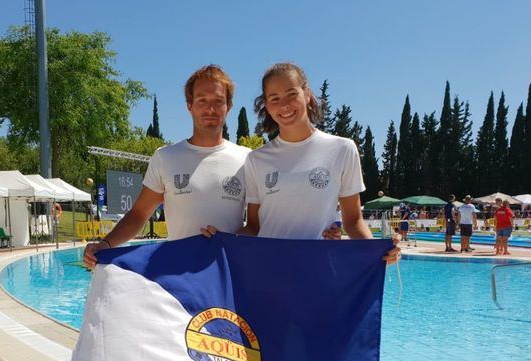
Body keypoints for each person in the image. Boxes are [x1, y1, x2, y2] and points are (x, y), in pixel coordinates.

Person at [202, 63, 399, 263]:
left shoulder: (342, 149)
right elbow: (254, 226)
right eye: (274, 99)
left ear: (307, 94)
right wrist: (224, 241)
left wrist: (379, 252)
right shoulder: (257, 159)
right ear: (267, 106)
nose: (284, 105)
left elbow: (353, 221)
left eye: (291, 94)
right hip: (267, 268)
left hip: (319, 268)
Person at [83, 65, 250, 269]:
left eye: (218, 101)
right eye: (202, 100)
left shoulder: (246, 159)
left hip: (230, 271)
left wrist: (231, 239)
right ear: (190, 106)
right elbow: (138, 214)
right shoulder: (166, 158)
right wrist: (106, 244)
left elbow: (257, 224)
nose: (210, 109)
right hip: (178, 273)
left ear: (228, 107)